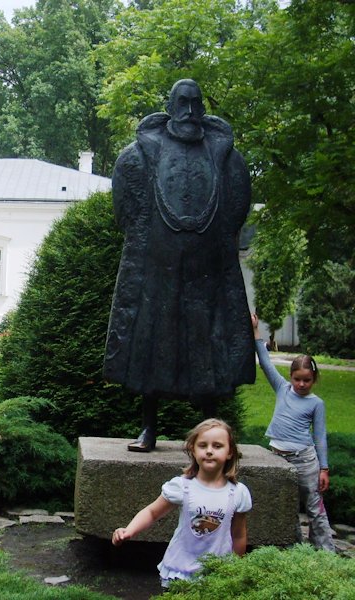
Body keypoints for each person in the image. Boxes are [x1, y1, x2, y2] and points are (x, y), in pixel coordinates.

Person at [104, 79, 255, 451]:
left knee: (210, 348)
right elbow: (125, 211)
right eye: (182, 102)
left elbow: (237, 208)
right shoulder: (139, 154)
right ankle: (148, 428)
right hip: (158, 270)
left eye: (195, 103)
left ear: (203, 108)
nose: (189, 110)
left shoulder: (225, 154)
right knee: (152, 345)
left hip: (207, 273)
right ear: (170, 106)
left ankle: (210, 437)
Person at [112, 418, 251, 587]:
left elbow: (239, 535)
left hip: (217, 574)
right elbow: (152, 512)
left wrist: (237, 570)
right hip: (179, 571)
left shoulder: (238, 492)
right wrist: (129, 530)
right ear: (192, 449)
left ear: (230, 452)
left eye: (217, 446)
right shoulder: (182, 486)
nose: (209, 451)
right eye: (202, 445)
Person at [252, 313, 335, 551]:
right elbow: (266, 362)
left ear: (314, 379)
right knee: (284, 506)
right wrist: (256, 332)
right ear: (290, 377)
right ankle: (294, 549)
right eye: (297, 379)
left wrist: (324, 468)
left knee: (314, 506)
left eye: (307, 380)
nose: (301, 384)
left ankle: (325, 552)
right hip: (277, 457)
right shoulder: (282, 389)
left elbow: (319, 437)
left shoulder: (316, 403)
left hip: (305, 460)